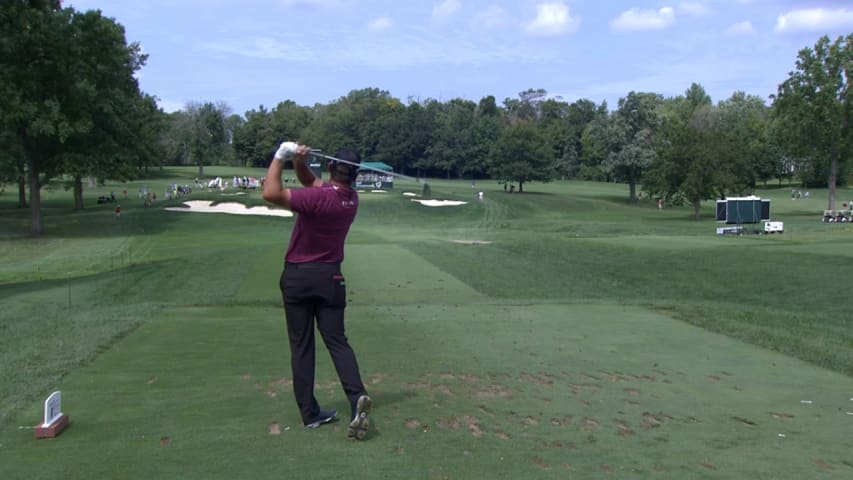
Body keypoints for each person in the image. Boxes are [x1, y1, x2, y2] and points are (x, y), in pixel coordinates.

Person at [262, 142, 371, 440]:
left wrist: (280, 157)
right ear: (356, 175)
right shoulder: (350, 199)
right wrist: (299, 161)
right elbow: (311, 182)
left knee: (302, 346)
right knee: (337, 341)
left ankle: (309, 413)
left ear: (333, 167)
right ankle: (356, 396)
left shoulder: (318, 199)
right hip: (331, 277)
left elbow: (270, 193)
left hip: (298, 277)